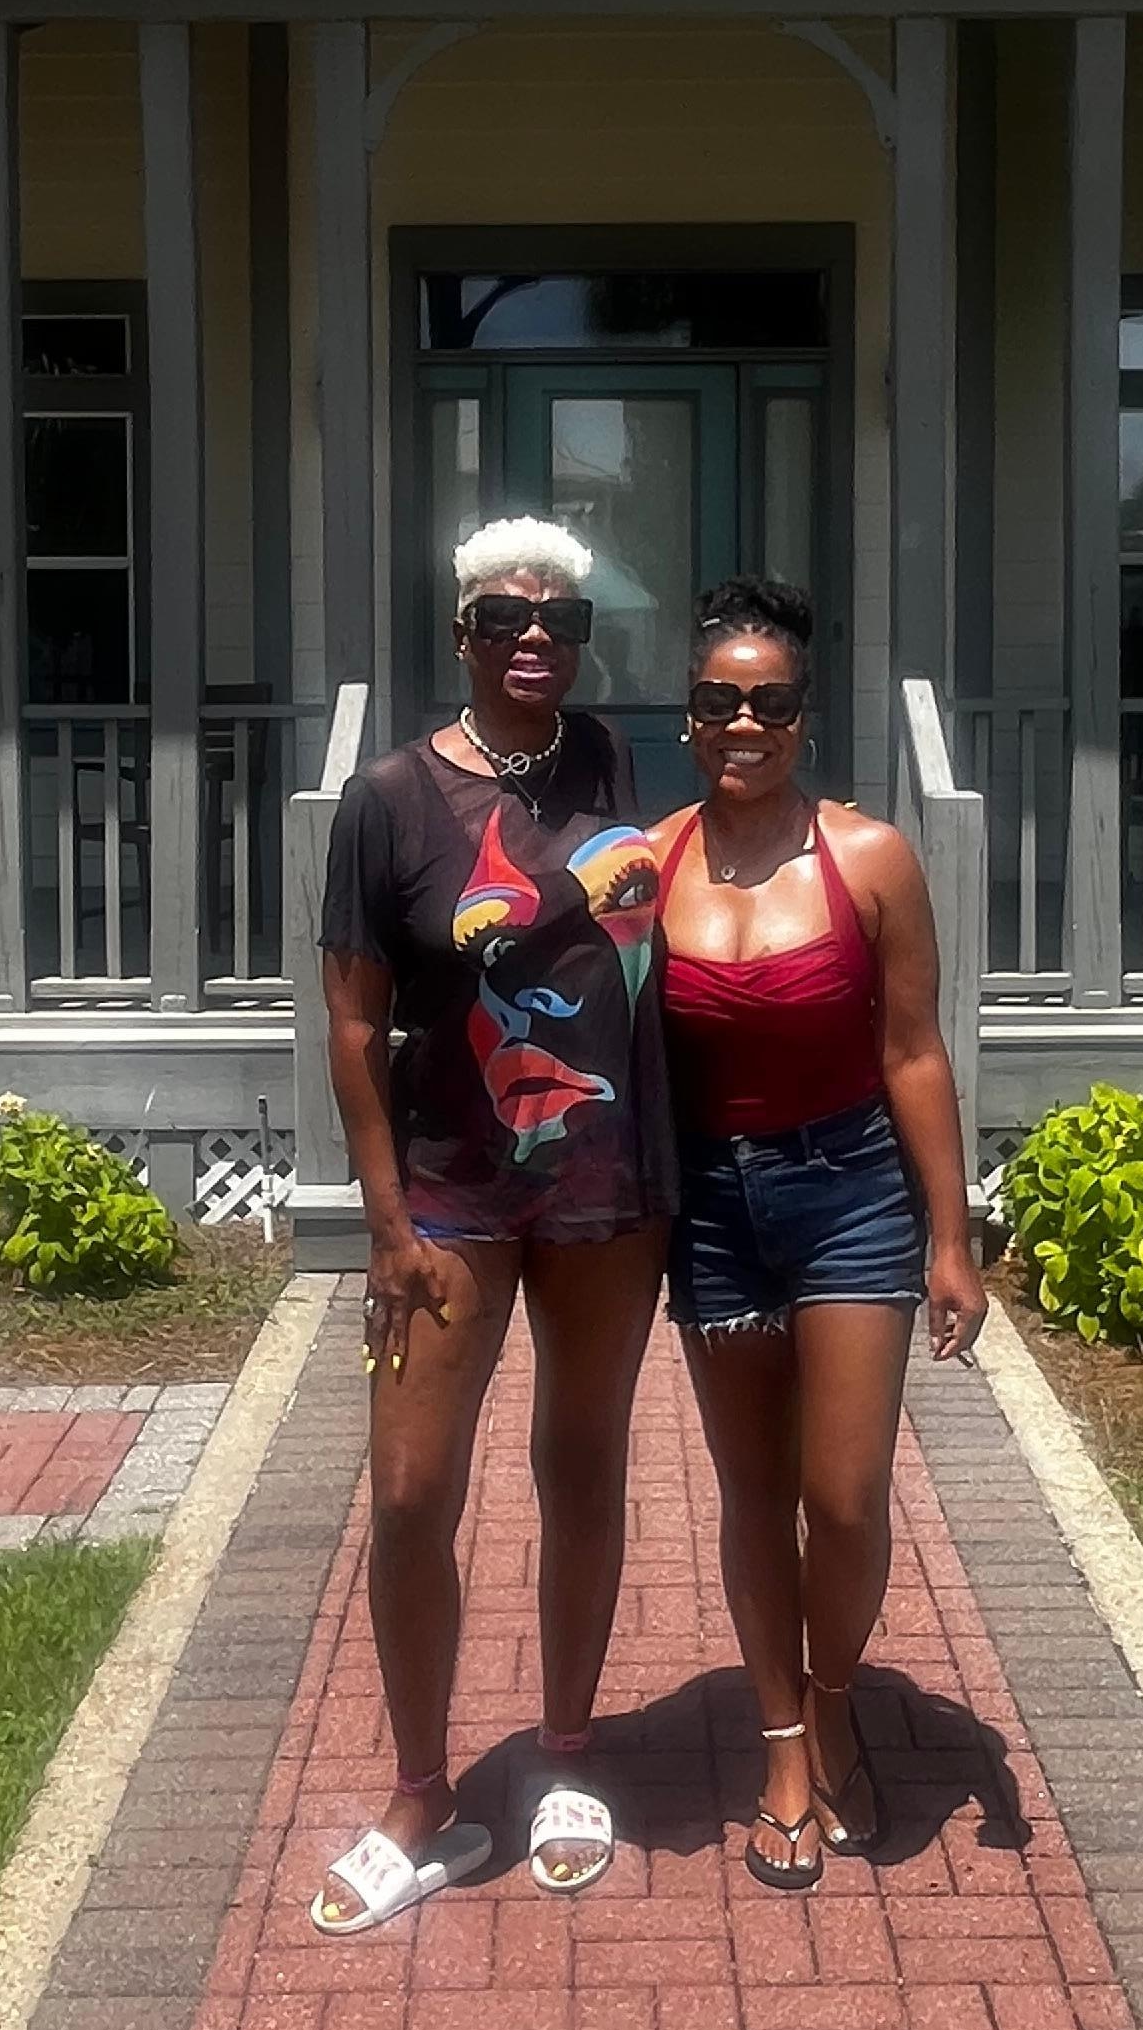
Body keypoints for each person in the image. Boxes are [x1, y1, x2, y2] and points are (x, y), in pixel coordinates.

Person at [310, 518, 674, 1932]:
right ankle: (422, 1791)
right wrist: (384, 1226)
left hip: (600, 1185)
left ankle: (569, 1752)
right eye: (505, 616)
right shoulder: (388, 801)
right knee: (410, 1494)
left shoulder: (606, 763)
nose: (537, 634)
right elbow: (351, 1026)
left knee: (580, 1464)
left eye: (563, 615)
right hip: (450, 1188)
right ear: (460, 632)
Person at [654, 577, 986, 1889]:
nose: (747, 722)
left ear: (804, 716)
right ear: (690, 716)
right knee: (752, 1497)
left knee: (841, 1501)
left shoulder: (871, 856)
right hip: (715, 1207)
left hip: (850, 1189)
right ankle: (786, 1744)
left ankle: (837, 1695)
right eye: (722, 700)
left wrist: (950, 1237)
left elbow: (912, 1050)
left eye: (772, 701)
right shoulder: (649, 864)